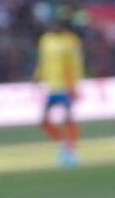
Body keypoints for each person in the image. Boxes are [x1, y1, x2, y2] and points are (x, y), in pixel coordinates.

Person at [34, 21, 84, 168]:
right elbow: (43, 61)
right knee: (43, 121)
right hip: (51, 86)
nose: (52, 26)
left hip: (65, 86)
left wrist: (74, 86)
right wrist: (37, 76)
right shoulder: (45, 40)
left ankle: (72, 151)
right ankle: (65, 145)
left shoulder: (71, 41)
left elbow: (75, 64)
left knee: (68, 119)